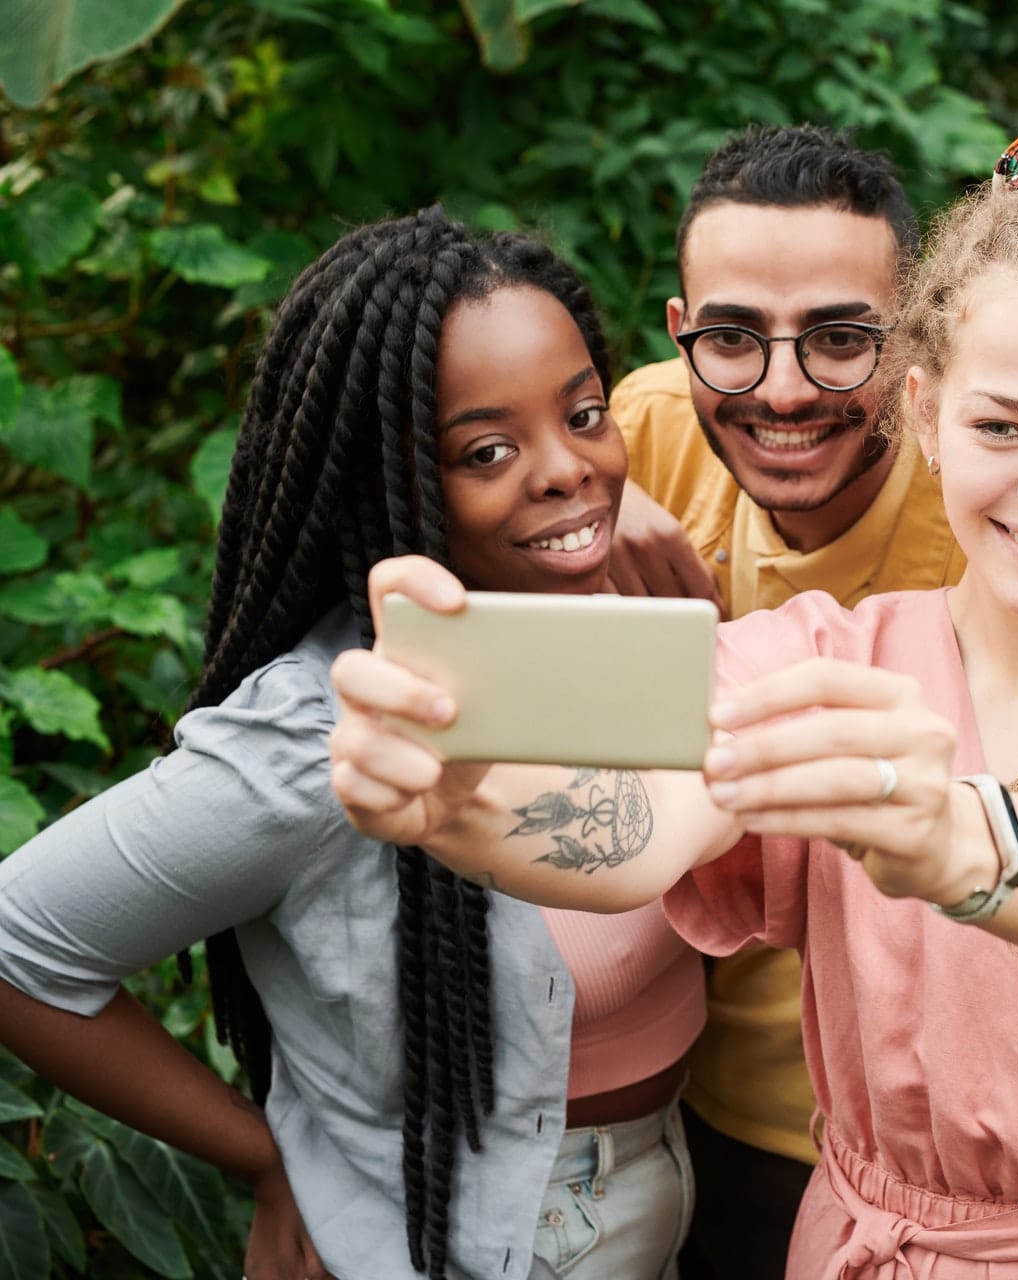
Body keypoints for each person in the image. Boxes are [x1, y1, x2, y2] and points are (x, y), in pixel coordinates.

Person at [329, 124, 1018, 1279]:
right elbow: (643, 826)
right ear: (923, 411)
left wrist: (952, 834)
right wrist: (462, 802)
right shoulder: (811, 655)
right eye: (1001, 425)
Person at [0, 208, 702, 1280]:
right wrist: (269, 1160)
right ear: (390, 482)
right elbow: (19, 945)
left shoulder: (630, 616)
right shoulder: (324, 734)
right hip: (478, 1234)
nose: (570, 470)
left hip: (664, 1185)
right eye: (487, 448)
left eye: (585, 414)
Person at [602, 124, 966, 1279]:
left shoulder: (992, 506)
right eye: (733, 338)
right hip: (693, 1106)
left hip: (936, 1139)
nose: (784, 389)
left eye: (841, 339)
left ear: (916, 343)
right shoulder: (643, 435)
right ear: (681, 334)